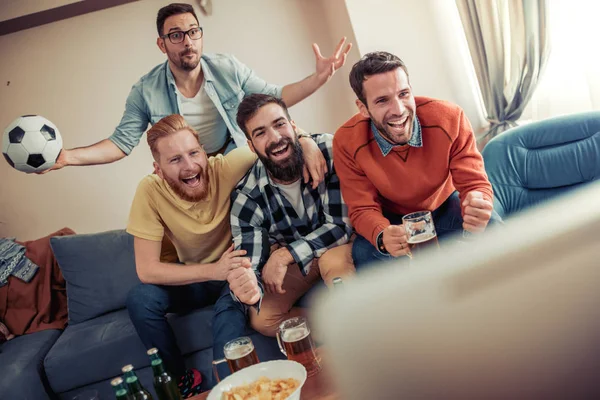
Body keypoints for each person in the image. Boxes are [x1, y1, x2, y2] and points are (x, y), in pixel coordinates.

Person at [124, 114, 324, 397]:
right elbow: (146, 270)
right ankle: (182, 381)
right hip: (197, 276)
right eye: (175, 159)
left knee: (227, 327)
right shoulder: (149, 190)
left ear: (204, 153)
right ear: (158, 169)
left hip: (237, 270)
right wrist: (212, 270)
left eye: (194, 153)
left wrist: (308, 142)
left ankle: (237, 391)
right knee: (139, 298)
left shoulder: (227, 166)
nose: (190, 165)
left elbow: (274, 135)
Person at [46, 3, 351, 172]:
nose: (188, 41)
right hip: (190, 170)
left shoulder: (227, 67)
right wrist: (68, 157)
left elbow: (274, 98)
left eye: (193, 32)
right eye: (176, 35)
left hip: (233, 156)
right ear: (161, 44)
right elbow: (120, 143)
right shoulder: (145, 91)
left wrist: (319, 78)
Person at [332, 51, 502, 269]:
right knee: (364, 255)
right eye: (383, 100)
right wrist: (382, 234)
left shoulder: (450, 118)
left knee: (493, 227)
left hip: (444, 204)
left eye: (403, 94)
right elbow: (362, 208)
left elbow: (474, 183)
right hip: (393, 220)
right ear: (363, 108)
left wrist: (478, 201)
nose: (399, 110)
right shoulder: (346, 140)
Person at [230, 94, 353, 337]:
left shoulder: (327, 150)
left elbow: (341, 227)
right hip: (302, 261)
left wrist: (284, 255)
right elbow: (249, 263)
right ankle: (336, 332)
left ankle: (360, 334)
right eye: (261, 133)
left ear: (293, 125)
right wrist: (245, 285)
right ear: (251, 145)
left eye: (279, 124)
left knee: (331, 261)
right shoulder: (247, 197)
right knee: (262, 316)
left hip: (340, 245)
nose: (275, 138)